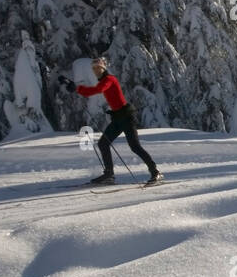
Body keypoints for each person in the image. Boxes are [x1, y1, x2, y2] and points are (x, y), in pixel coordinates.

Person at [59, 57, 162, 185]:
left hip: (126, 117)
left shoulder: (109, 79)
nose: (96, 70)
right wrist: (71, 84)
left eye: (98, 68)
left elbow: (98, 89)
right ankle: (109, 174)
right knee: (103, 143)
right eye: (94, 68)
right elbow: (95, 89)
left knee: (135, 146)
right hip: (118, 118)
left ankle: (155, 172)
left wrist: (77, 88)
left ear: (103, 68)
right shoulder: (103, 80)